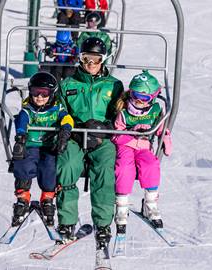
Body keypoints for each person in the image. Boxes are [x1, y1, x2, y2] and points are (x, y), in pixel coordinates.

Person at [55, 37, 124, 250]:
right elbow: (60, 110)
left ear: (103, 60)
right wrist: (71, 129)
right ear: (80, 58)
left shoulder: (113, 85)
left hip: (102, 139)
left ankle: (102, 224)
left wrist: (104, 129)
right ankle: (67, 222)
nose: (91, 64)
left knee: (104, 169)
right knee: (67, 166)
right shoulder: (68, 84)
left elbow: (120, 116)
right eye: (86, 58)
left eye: (95, 59)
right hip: (75, 137)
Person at [111, 70, 172, 234]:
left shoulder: (155, 110)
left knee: (151, 164)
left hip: (144, 146)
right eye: (135, 95)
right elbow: (116, 134)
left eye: (144, 98)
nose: (138, 101)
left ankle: (150, 203)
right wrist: (132, 140)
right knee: (124, 167)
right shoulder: (124, 111)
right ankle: (122, 206)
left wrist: (165, 136)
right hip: (126, 146)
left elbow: (160, 127)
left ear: (152, 97)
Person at [11, 72, 74, 227]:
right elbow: (22, 121)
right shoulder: (28, 109)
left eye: (44, 93)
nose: (39, 97)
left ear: (51, 94)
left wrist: (65, 133)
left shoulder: (57, 108)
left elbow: (67, 119)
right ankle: (22, 197)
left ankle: (47, 197)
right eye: (35, 92)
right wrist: (20, 137)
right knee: (23, 163)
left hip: (49, 146)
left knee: (49, 167)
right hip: (31, 144)